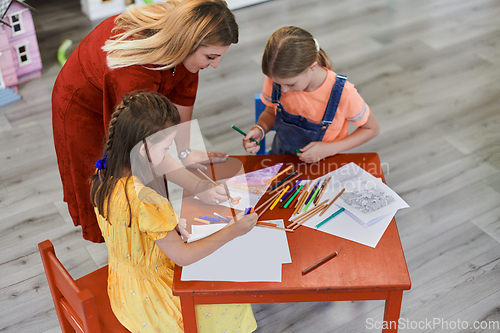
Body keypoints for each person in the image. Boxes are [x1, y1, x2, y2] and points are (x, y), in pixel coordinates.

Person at [52, 0, 237, 242]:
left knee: (152, 179)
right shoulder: (134, 71)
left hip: (134, 95)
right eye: (211, 56)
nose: (216, 65)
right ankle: (128, 247)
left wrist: (185, 152)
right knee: (118, 188)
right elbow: (143, 149)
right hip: (86, 110)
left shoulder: (181, 45)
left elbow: (184, 95)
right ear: (187, 43)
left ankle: (155, 235)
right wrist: (199, 187)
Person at [90, 91, 258, 333]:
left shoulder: (105, 172)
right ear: (142, 150)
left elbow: (135, 228)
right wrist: (233, 231)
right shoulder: (146, 199)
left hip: (124, 287)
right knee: (233, 302)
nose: (167, 154)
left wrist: (170, 224)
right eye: (166, 147)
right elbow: (182, 257)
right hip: (153, 301)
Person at [242, 26, 380, 163]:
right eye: (278, 84)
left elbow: (372, 129)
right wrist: (259, 129)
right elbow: (271, 113)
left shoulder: (344, 94)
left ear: (312, 67)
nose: (283, 90)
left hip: (323, 164)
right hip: (281, 157)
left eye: (290, 85)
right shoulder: (279, 79)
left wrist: (329, 149)